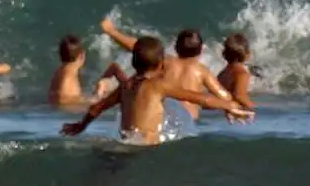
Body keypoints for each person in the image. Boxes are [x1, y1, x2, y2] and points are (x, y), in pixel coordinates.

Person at [60, 35, 254, 145]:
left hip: (125, 144)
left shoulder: (125, 87)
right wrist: (229, 105)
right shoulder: (158, 86)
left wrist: (81, 125)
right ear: (162, 65)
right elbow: (201, 99)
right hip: (146, 148)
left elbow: (96, 108)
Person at [100, 18, 236, 121]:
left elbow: (137, 46)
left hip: (164, 120)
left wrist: (112, 32)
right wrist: (230, 107)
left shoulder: (166, 62)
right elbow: (224, 96)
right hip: (188, 123)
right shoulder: (201, 71)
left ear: (176, 48)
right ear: (201, 51)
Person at [48, 34, 127, 107]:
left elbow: (69, 98)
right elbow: (63, 103)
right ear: (82, 55)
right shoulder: (67, 78)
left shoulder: (61, 72)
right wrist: (97, 96)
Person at [216, 33, 256, 110]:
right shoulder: (242, 74)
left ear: (224, 54)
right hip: (234, 111)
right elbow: (239, 96)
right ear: (248, 54)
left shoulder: (222, 73)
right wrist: (253, 108)